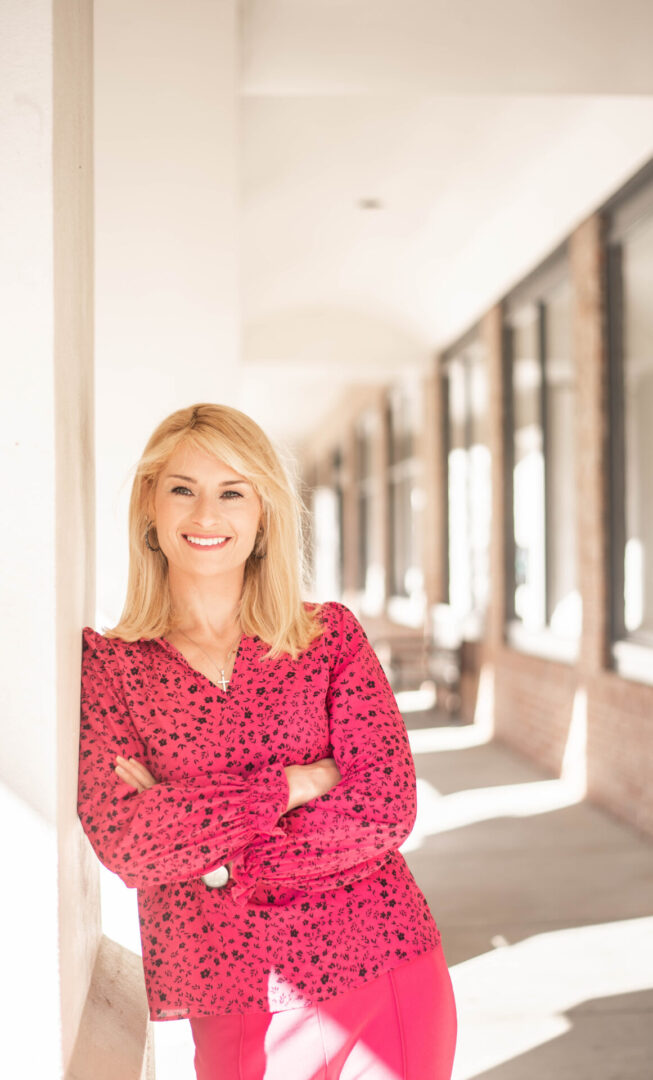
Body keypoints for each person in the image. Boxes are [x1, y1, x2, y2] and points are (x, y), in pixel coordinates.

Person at [77, 402, 457, 1079]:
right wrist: (297, 783)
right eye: (182, 490)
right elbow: (130, 845)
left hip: (382, 960)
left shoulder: (328, 637)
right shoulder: (113, 667)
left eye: (231, 492)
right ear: (149, 508)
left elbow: (385, 807)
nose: (205, 515)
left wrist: (213, 860)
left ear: (261, 518)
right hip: (231, 993)